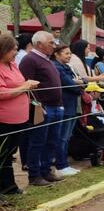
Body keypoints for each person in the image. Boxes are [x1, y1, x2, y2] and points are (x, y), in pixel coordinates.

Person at [19, 31, 65, 187]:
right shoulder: (29, 60)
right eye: (51, 43)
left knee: (52, 141)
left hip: (56, 106)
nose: (54, 45)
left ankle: (46, 170)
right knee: (38, 142)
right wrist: (37, 107)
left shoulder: (47, 60)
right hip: (43, 108)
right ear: (39, 44)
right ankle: (34, 175)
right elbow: (26, 87)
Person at [0, 33, 39, 195]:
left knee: (10, 154)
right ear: (3, 49)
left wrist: (27, 85)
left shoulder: (13, 65)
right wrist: (24, 87)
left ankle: (9, 186)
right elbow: (1, 93)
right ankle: (5, 187)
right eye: (13, 50)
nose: (16, 52)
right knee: (2, 154)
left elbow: (19, 83)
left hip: (19, 120)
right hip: (5, 121)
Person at [52, 44, 85, 177]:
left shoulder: (67, 66)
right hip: (65, 105)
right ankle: (61, 165)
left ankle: (64, 164)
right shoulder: (57, 67)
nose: (69, 55)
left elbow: (80, 82)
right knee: (62, 137)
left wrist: (79, 83)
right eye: (66, 53)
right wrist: (78, 84)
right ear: (57, 54)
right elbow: (70, 84)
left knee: (67, 137)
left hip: (72, 105)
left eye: (70, 53)